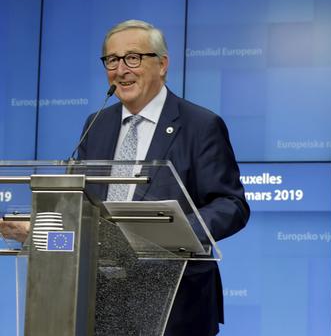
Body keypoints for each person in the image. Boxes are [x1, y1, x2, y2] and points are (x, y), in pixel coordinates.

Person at [1, 20, 250, 335]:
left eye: (133, 58)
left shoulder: (201, 125)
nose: (121, 69)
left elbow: (231, 204)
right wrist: (39, 230)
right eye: (112, 60)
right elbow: (81, 206)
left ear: (162, 64)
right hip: (100, 297)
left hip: (176, 303)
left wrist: (179, 231)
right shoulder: (97, 124)